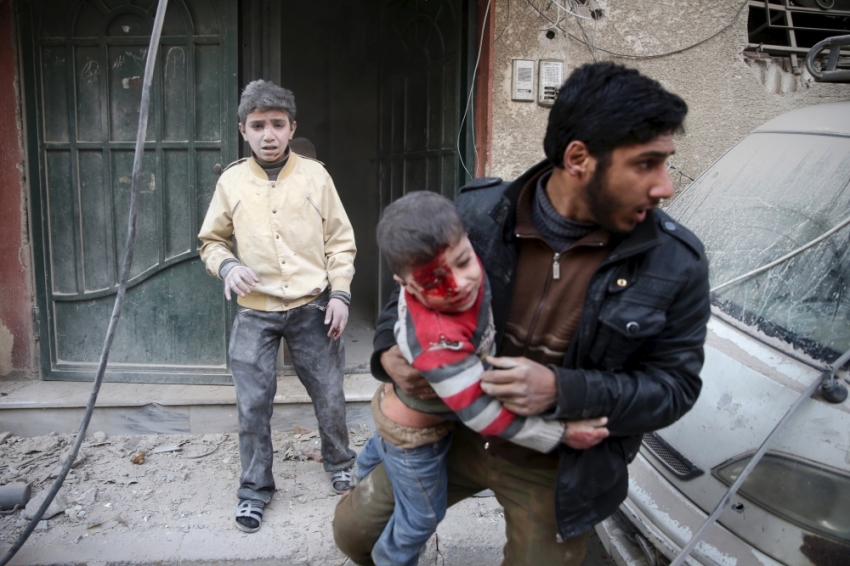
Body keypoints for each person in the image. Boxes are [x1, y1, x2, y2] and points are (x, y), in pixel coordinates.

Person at [333, 62, 711, 565]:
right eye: (646, 164)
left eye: (665, 163)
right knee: (353, 536)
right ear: (579, 158)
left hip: (556, 462)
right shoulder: (479, 213)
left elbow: (674, 389)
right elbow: (406, 294)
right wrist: (388, 353)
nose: (664, 186)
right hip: (456, 430)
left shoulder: (675, 263)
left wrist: (562, 390)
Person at [354, 191, 608, 565]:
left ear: (470, 242)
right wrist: (562, 434)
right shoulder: (439, 342)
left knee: (380, 448)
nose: (458, 285)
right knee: (421, 517)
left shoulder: (466, 258)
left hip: (418, 409)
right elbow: (483, 414)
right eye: (435, 280)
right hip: (416, 433)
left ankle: (363, 471)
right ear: (406, 285)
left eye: (462, 261)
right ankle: (389, 558)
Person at [198, 80, 357, 533]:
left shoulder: (316, 176)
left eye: (277, 125)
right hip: (255, 310)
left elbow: (340, 242)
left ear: (292, 129)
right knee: (253, 404)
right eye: (258, 125)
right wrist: (227, 266)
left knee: (329, 394)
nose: (268, 134)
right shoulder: (231, 181)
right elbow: (211, 241)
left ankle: (339, 462)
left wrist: (341, 294)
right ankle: (254, 490)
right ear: (243, 131)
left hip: (313, 305)